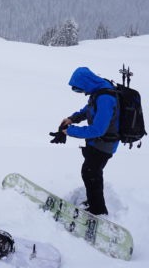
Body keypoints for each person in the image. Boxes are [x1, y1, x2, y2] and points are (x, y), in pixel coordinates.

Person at [50, 67, 119, 216]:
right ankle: (94, 203)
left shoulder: (105, 98)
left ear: (87, 82)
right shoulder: (99, 90)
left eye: (79, 89)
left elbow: (97, 129)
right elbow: (89, 109)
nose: (80, 92)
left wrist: (70, 130)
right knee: (90, 173)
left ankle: (98, 211)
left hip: (103, 144)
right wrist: (72, 118)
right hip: (97, 143)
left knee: (91, 173)